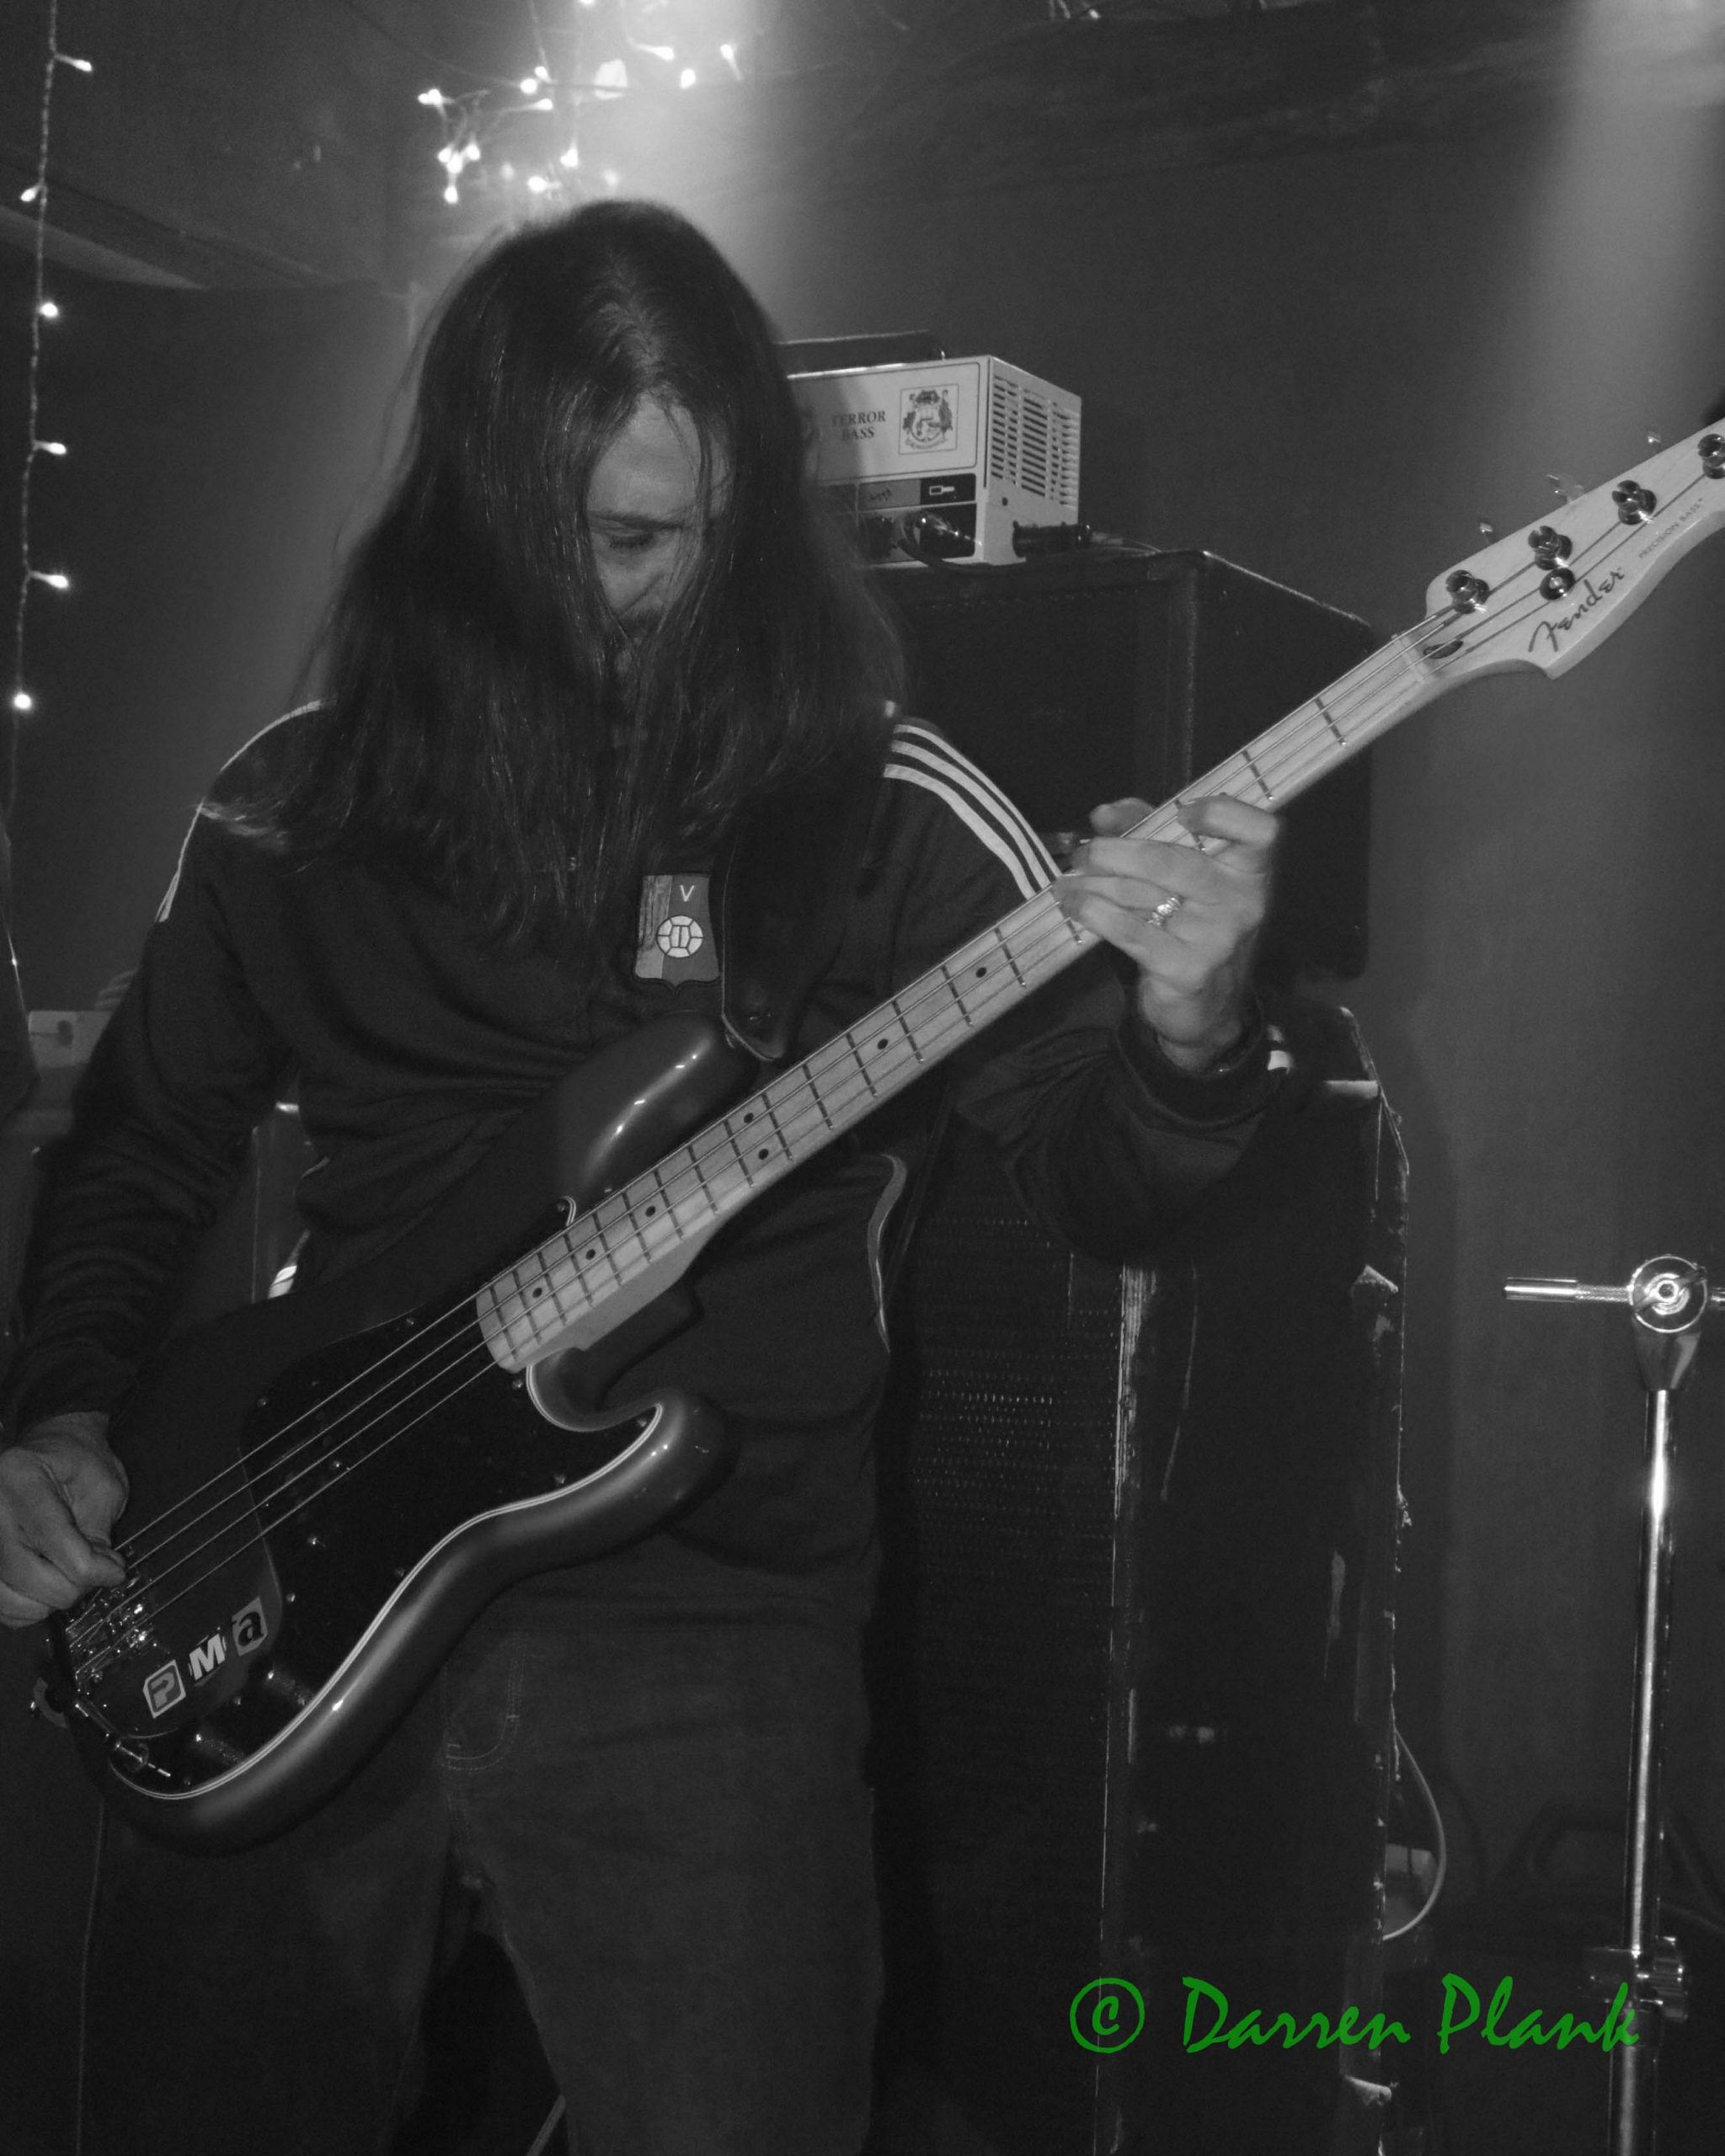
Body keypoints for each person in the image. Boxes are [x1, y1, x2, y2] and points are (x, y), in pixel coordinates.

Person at [0, 200, 1281, 2156]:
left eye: (705, 532)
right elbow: (141, 1138)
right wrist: (62, 1408)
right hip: (278, 1570)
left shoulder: (881, 807)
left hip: (706, 1625)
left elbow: (1105, 1180)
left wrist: (1192, 1033)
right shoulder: (289, 802)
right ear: (476, 524)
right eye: (615, 539)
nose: (672, 586)